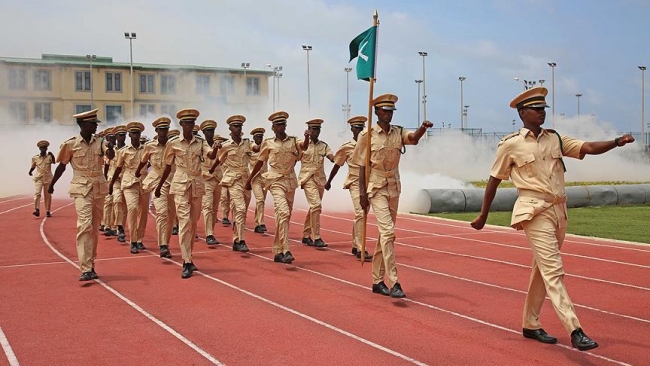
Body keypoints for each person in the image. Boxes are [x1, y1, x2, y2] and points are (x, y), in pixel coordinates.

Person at [470, 86, 635, 351]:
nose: (541, 113)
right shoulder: (510, 144)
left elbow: (588, 147)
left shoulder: (555, 139)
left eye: (544, 109)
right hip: (532, 211)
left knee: (541, 271)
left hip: (558, 212)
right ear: (523, 113)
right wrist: (483, 214)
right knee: (554, 271)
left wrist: (616, 142)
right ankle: (575, 330)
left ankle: (530, 323)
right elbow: (494, 180)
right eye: (536, 109)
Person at [352, 93, 432, 298]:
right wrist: (362, 193)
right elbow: (361, 165)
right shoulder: (367, 136)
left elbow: (412, 139)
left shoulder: (398, 132)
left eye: (391, 112)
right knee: (388, 233)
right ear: (376, 112)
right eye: (385, 111)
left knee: (384, 235)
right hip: (376, 187)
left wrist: (423, 128)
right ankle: (394, 281)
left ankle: (377, 281)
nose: (388, 115)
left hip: (394, 186)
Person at [48, 109, 115, 281]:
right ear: (83, 124)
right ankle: (85, 268)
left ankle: (91, 263)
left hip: (98, 187)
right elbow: (62, 166)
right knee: (84, 225)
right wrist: (51, 184)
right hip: (81, 188)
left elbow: (109, 154)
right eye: (93, 123)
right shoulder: (70, 144)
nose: (96, 126)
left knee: (93, 227)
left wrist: (111, 148)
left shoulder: (100, 142)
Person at [155, 109, 220, 279]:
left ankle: (189, 255)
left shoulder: (200, 141)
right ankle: (186, 261)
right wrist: (159, 185)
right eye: (187, 123)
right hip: (181, 184)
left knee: (192, 222)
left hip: (197, 185)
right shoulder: (174, 143)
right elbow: (168, 166)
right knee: (183, 222)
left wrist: (216, 149)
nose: (190, 125)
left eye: (192, 123)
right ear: (181, 124)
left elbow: (211, 155)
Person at [246, 111, 309, 264]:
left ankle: (278, 250)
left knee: (284, 216)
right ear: (273, 128)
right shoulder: (268, 142)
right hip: (274, 180)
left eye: (283, 124)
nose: (280, 127)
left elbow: (304, 147)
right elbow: (260, 161)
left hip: (290, 180)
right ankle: (286, 249)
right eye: (277, 124)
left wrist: (307, 137)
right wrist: (249, 179)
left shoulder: (293, 140)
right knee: (283, 211)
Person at [325, 116, 372, 260]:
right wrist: (329, 181)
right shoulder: (347, 147)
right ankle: (360, 247)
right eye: (355, 128)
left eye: (360, 128)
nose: (358, 130)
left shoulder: (370, 145)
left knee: (362, 214)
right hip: (355, 183)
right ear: (351, 129)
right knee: (361, 212)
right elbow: (337, 164)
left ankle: (354, 244)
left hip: (369, 183)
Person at [212, 115, 252, 252]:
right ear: (230, 128)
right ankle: (241, 240)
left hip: (246, 180)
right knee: (240, 208)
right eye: (235, 126)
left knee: (242, 209)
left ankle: (236, 240)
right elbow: (218, 159)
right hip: (233, 180)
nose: (238, 128)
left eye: (239, 126)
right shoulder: (226, 146)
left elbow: (257, 150)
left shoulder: (247, 143)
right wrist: (212, 168)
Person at [138, 117, 176, 259]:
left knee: (172, 215)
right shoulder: (150, 146)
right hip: (155, 181)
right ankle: (163, 245)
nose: (163, 132)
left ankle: (166, 241)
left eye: (166, 129)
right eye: (161, 129)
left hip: (172, 181)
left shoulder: (174, 145)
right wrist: (137, 172)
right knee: (162, 212)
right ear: (156, 130)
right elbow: (143, 161)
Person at [110, 122, 149, 254]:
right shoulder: (123, 151)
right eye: (133, 133)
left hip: (144, 183)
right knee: (132, 208)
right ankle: (133, 241)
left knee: (143, 212)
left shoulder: (146, 149)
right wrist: (110, 184)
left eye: (138, 133)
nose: (136, 135)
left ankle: (139, 239)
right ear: (129, 135)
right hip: (129, 183)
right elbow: (118, 168)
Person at [298, 119, 334, 248]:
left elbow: (331, 157)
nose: (316, 132)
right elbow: (294, 158)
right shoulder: (302, 145)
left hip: (320, 180)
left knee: (314, 207)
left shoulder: (323, 146)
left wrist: (338, 158)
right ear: (308, 130)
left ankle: (306, 235)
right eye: (313, 129)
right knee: (316, 205)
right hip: (307, 179)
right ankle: (317, 237)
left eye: (318, 129)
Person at [198, 119, 222, 246]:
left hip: (217, 178)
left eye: (212, 130)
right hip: (205, 178)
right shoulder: (201, 145)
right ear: (203, 132)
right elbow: (211, 156)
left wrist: (218, 148)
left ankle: (211, 230)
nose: (210, 133)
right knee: (207, 206)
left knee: (214, 208)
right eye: (208, 131)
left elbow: (221, 159)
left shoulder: (218, 144)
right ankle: (209, 234)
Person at [107, 125, 128, 242]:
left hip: (126, 179)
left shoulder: (128, 149)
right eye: (120, 135)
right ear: (116, 137)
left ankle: (121, 227)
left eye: (124, 135)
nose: (122, 137)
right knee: (117, 200)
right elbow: (106, 164)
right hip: (114, 180)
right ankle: (119, 227)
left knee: (125, 207)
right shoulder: (111, 151)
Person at [249, 127, 268, 234]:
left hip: (264, 177)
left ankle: (257, 223)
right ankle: (261, 223)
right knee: (260, 199)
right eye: (257, 137)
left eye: (261, 137)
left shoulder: (266, 149)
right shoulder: (250, 149)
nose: (259, 139)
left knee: (261, 201)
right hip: (254, 178)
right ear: (254, 137)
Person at [29, 140, 55, 217]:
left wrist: (52, 155)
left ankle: (47, 211)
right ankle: (36, 209)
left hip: (48, 178)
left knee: (48, 195)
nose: (43, 149)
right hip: (39, 178)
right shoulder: (35, 158)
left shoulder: (49, 157)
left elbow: (54, 162)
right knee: (37, 193)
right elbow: (33, 166)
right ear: (39, 149)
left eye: (45, 148)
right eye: (42, 148)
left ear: (47, 149)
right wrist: (30, 172)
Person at [100, 128, 116, 233]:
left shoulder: (119, 149)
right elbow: (106, 165)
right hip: (108, 178)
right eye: (110, 137)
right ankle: (106, 224)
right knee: (107, 202)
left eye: (114, 137)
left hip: (118, 179)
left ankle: (113, 225)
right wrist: (105, 179)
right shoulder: (104, 150)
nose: (112, 139)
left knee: (116, 203)